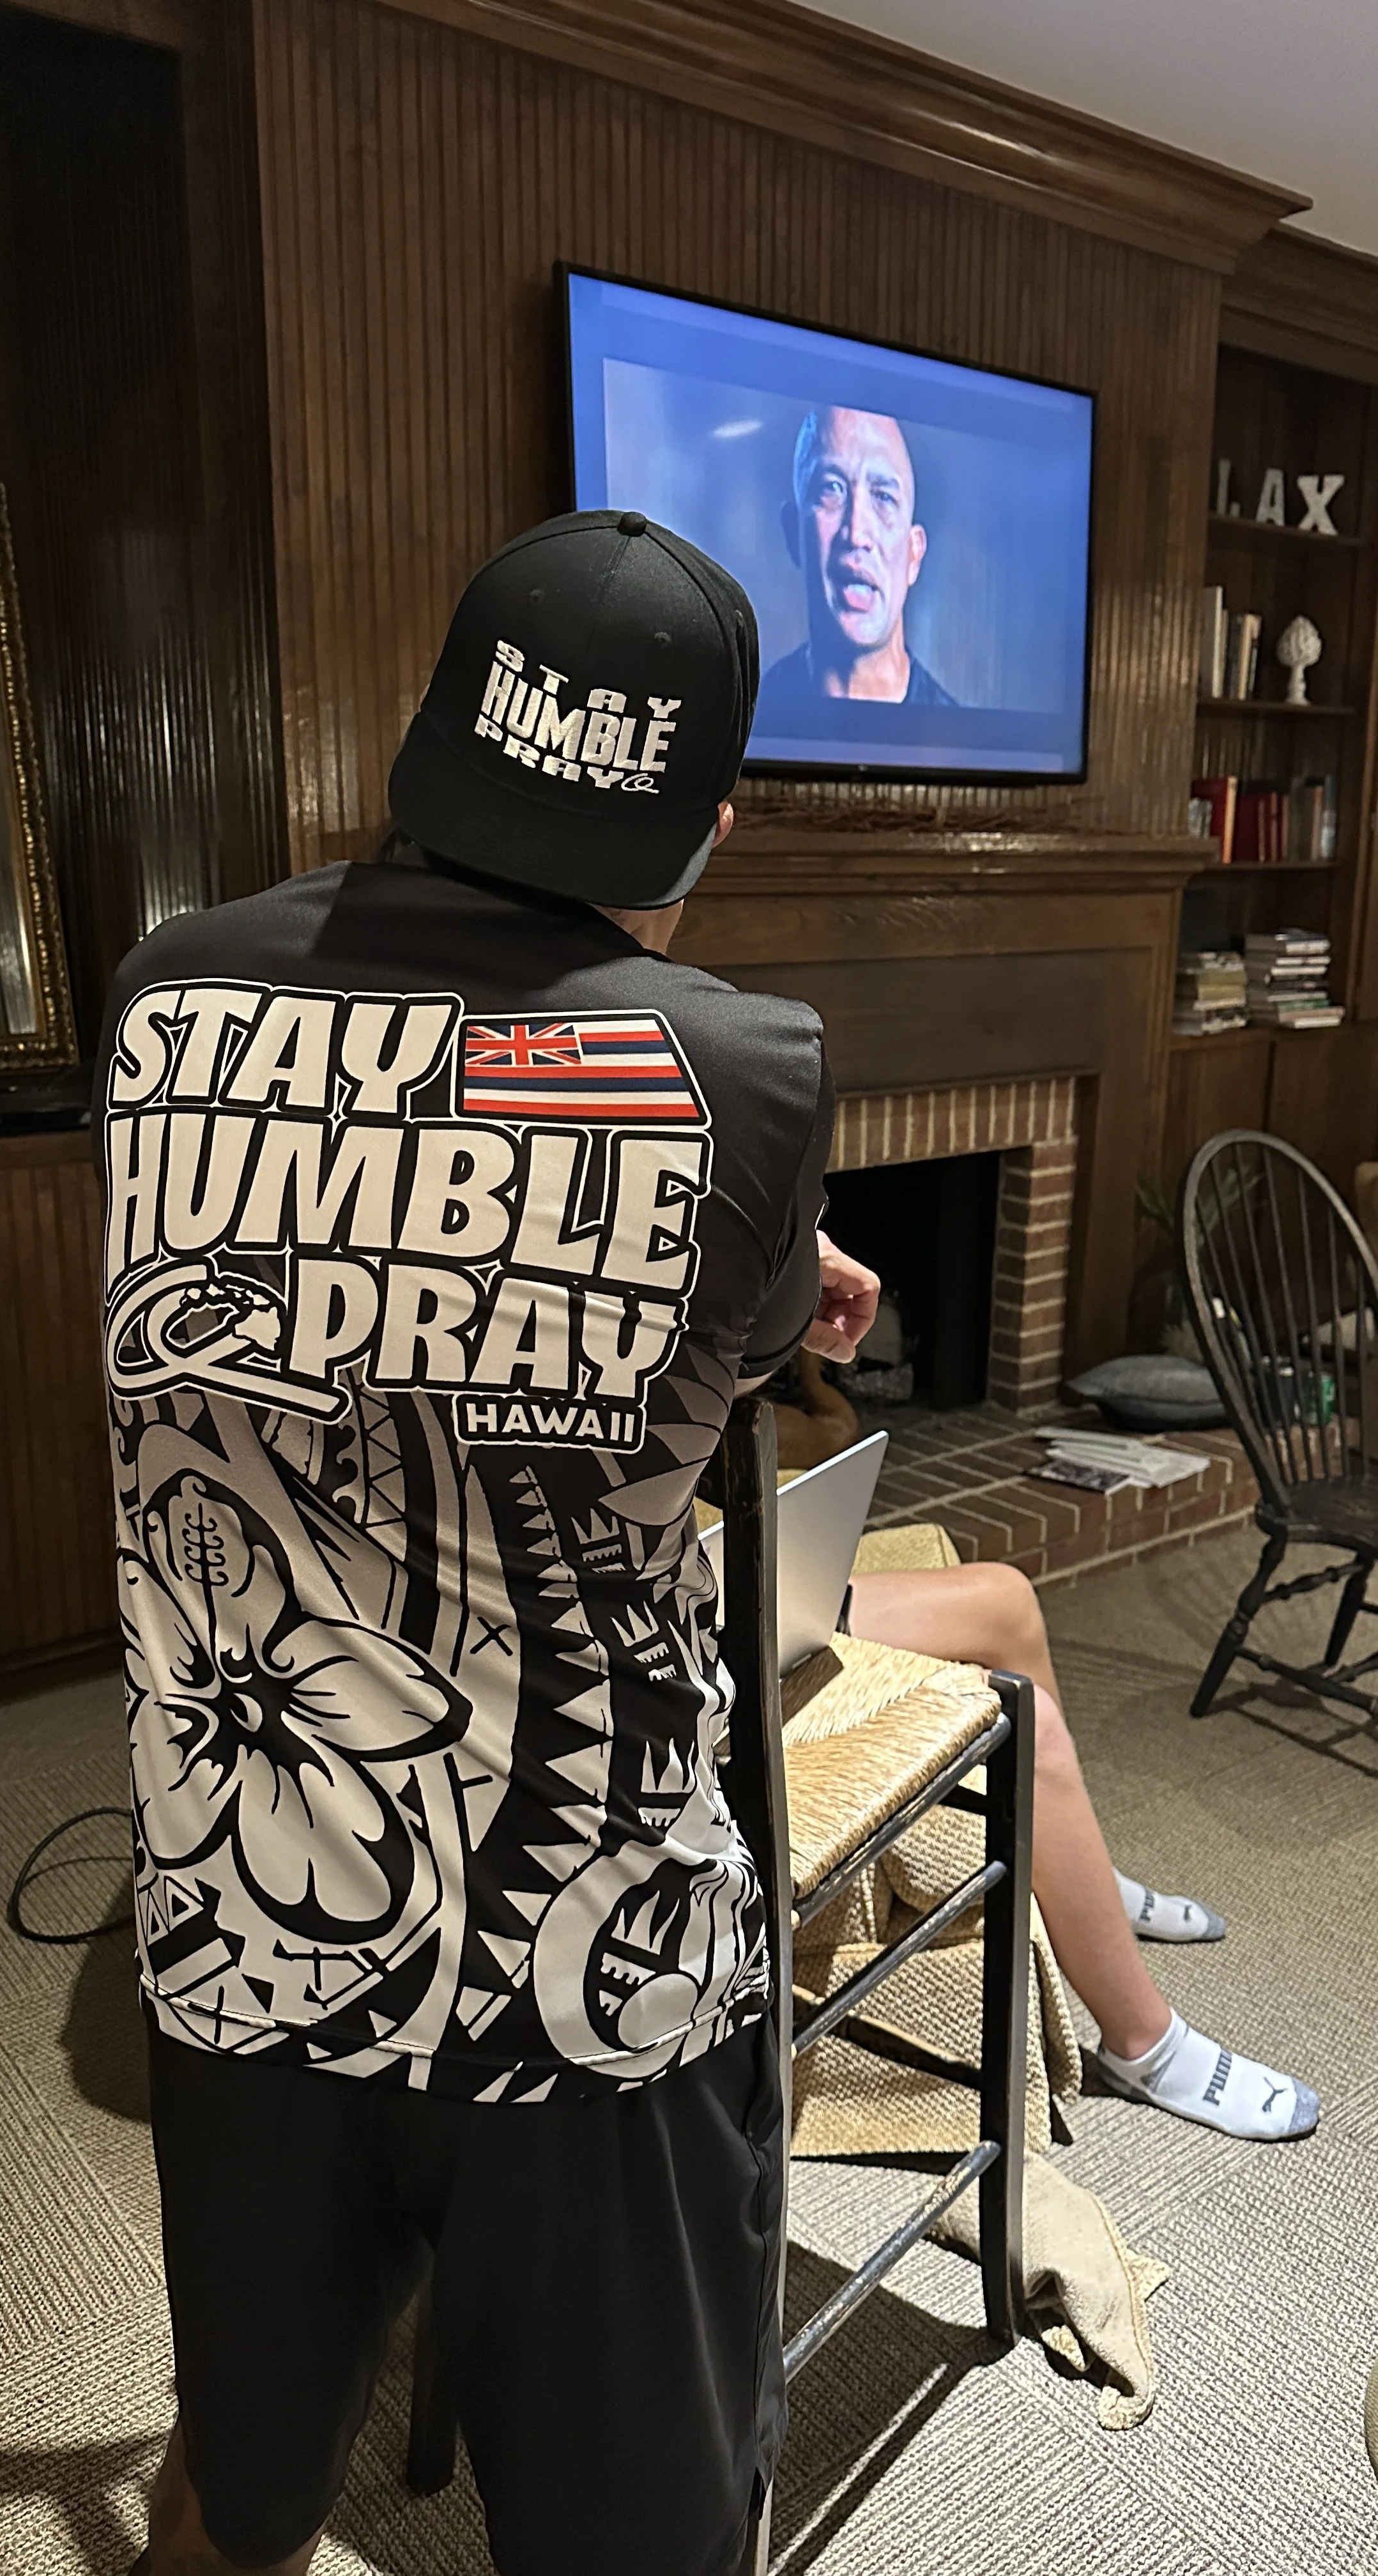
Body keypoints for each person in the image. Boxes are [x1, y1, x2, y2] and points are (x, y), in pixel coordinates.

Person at [95, 506, 880, 2576]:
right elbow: (658, 1406)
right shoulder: (743, 1069)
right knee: (635, 2531)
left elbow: (322, 1305)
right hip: (583, 1962)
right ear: (702, 813)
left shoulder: (161, 994)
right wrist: (773, 1279)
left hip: (243, 1912)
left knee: (238, 2489)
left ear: (440, 727)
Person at [848, 1556, 1319, 2142]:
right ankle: (1143, 2046)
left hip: (725, 1582)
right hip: (706, 1656)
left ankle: (1087, 1882)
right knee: (1031, 1722)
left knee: (1007, 1599)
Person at [758, 403, 959, 723]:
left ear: (914, 554)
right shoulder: (748, 722)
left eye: (883, 497)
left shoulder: (956, 742)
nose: (857, 534)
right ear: (794, 533)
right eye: (831, 489)